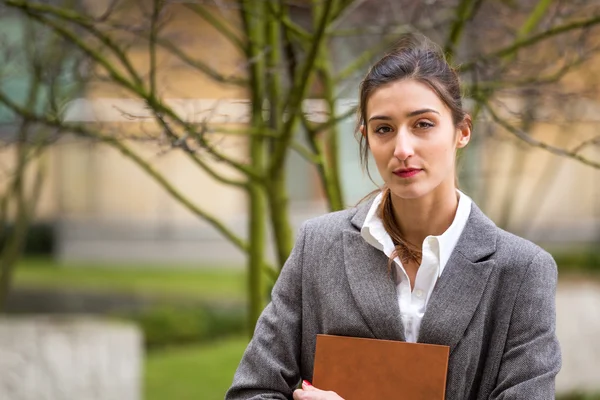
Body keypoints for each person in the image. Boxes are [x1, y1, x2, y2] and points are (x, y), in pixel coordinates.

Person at [225, 34, 561, 400]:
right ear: (366, 136)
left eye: (423, 124)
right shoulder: (317, 246)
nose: (402, 149)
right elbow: (252, 392)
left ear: (462, 131)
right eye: (384, 129)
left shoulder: (523, 270)